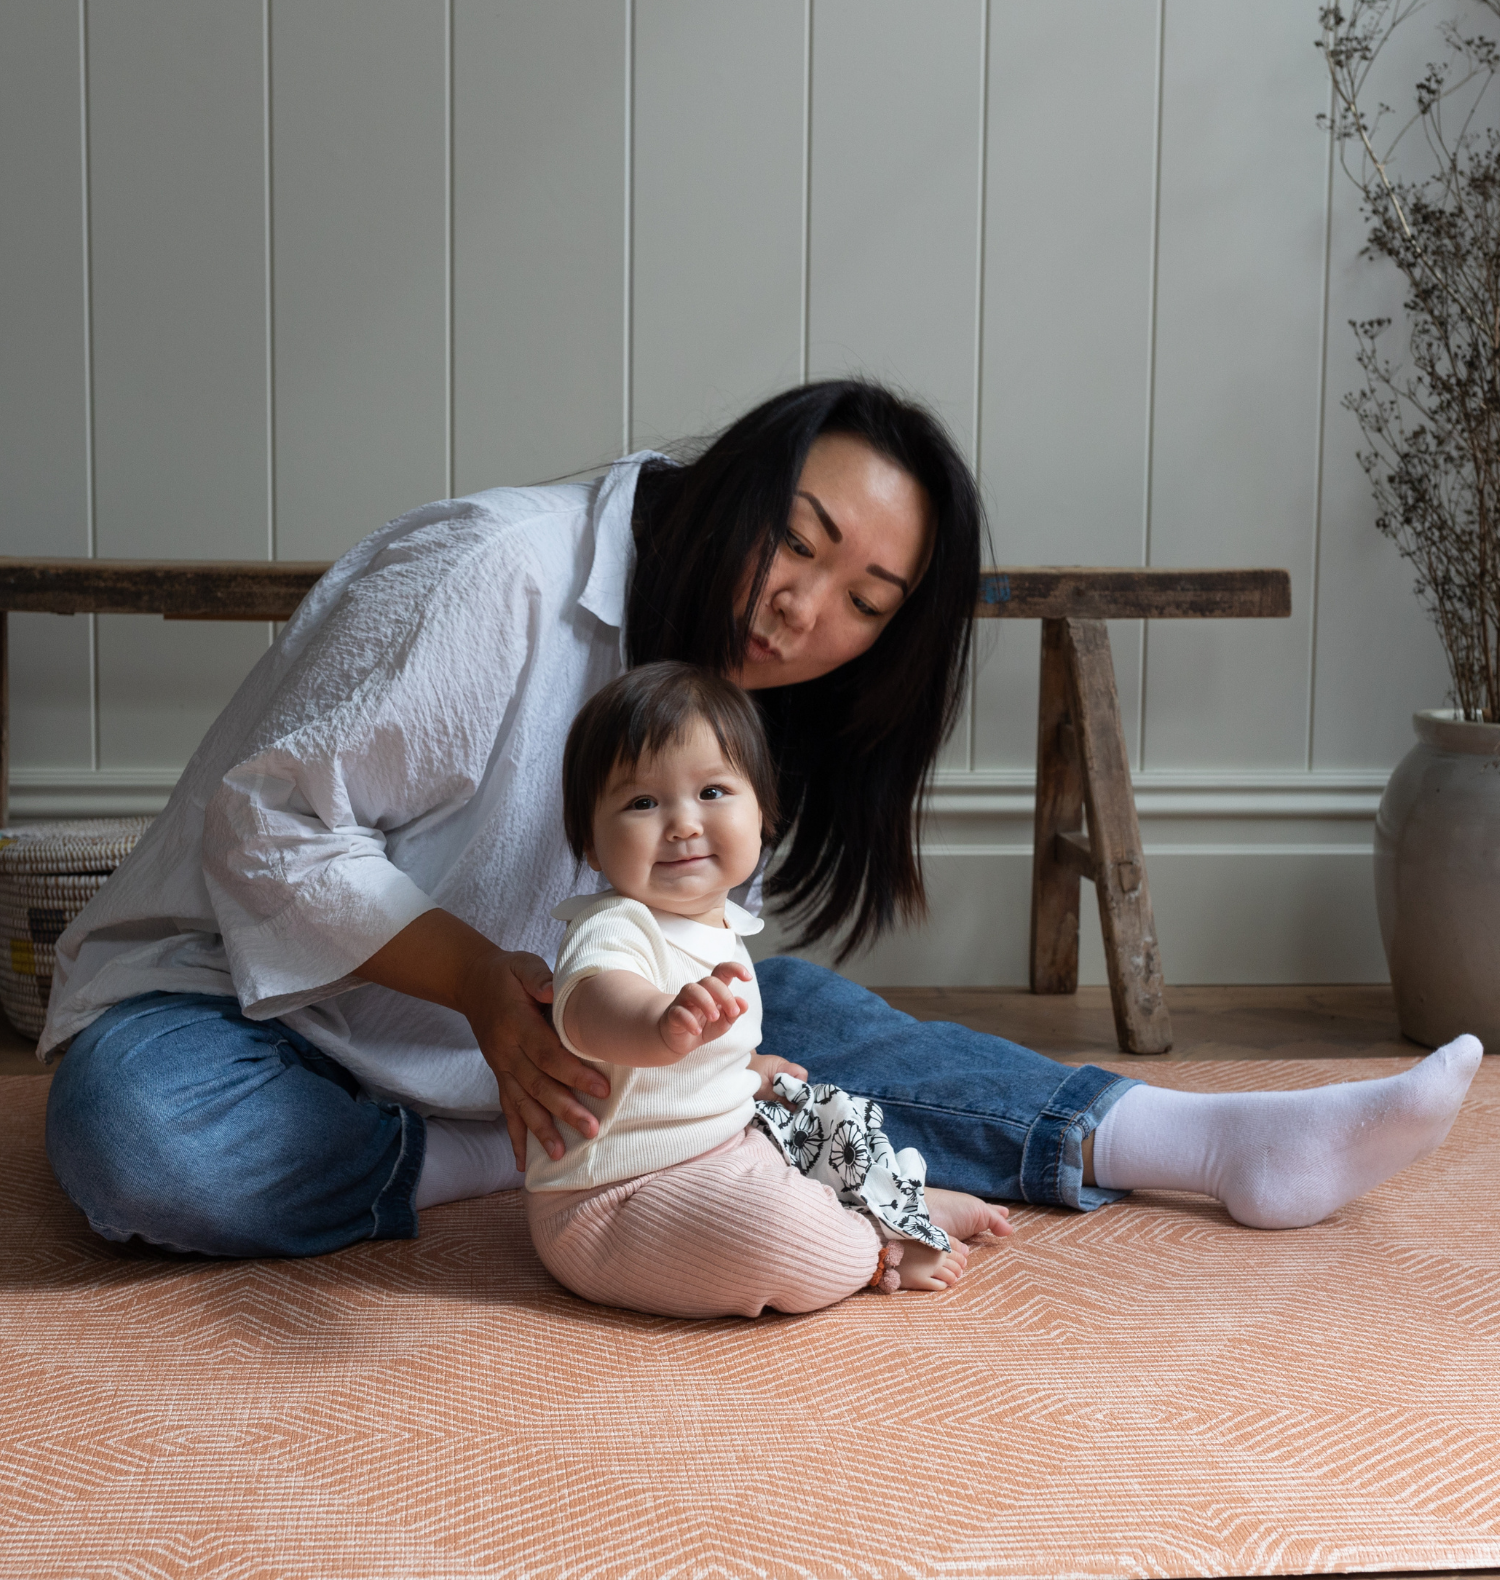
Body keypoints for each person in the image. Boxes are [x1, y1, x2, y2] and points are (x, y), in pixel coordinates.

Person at [39, 379, 1482, 1259]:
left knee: (780, 1012)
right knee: (140, 1139)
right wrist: (485, 995)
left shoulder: (735, 682)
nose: (806, 610)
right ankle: (504, 1154)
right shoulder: (500, 578)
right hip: (243, 1014)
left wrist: (673, 1019)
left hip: (566, 1029)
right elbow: (266, 834)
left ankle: (1214, 1146)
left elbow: (672, 928)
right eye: (800, 540)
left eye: (867, 602)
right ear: (735, 480)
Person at [528, 660, 1014, 1318]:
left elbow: (698, 1070)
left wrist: (747, 1070)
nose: (681, 823)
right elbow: (589, 1011)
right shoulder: (616, 925)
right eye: (642, 802)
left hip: (729, 1150)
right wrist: (656, 1021)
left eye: (713, 792)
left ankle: (893, 1196)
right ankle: (876, 1242)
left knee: (826, 1117)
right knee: (769, 1230)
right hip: (615, 1202)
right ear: (589, 841)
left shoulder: (724, 925)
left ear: (764, 814)